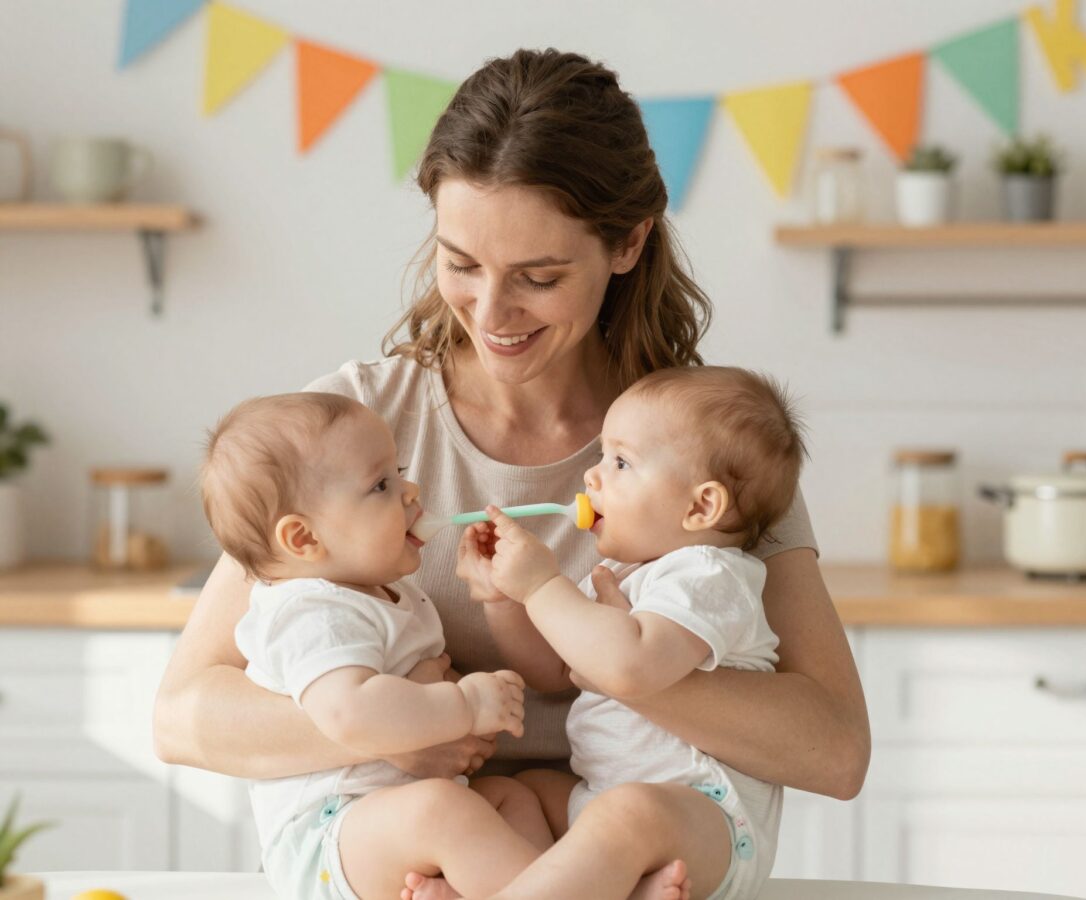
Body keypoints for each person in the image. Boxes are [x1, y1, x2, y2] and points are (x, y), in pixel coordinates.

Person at [153, 46, 869, 885]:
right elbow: (183, 717)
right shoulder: (352, 428)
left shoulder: (700, 444)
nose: (491, 312)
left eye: (538, 276)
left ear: (629, 242)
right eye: (461, 264)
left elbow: (834, 750)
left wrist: (616, 660)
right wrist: (408, 730)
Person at [427, 365, 804, 900]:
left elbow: (628, 668)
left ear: (701, 506)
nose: (593, 476)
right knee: (512, 795)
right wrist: (506, 599)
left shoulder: (710, 576)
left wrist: (541, 586)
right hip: (605, 798)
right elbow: (555, 669)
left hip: (704, 815)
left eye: (621, 462)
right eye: (602, 456)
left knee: (627, 816)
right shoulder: (625, 575)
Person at [200, 392, 550, 899]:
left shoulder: (381, 591)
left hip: (392, 820)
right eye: (381, 485)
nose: (411, 491)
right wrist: (464, 704)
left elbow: (408, 677)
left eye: (398, 472)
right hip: (329, 836)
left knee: (510, 800)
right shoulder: (310, 612)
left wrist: (458, 692)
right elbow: (350, 713)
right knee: (444, 813)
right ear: (303, 539)